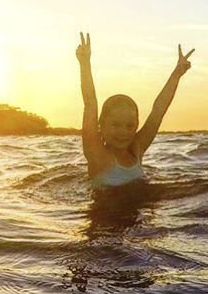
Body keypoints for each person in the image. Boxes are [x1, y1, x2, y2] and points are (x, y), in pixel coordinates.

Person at [76, 32, 194, 188]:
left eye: (129, 126)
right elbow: (90, 103)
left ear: (137, 126)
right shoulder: (97, 154)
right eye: (115, 125)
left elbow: (158, 110)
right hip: (105, 211)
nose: (123, 132)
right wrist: (85, 64)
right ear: (101, 125)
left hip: (138, 211)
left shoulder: (136, 150)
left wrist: (177, 74)